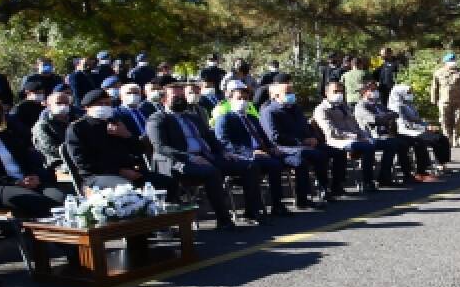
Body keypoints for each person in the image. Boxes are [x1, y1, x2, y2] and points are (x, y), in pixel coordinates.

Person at [146, 88, 266, 228]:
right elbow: (160, 147)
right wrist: (190, 157)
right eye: (175, 96)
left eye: (182, 96)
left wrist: (223, 152)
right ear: (164, 100)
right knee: (212, 172)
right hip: (179, 162)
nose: (180, 99)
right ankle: (224, 220)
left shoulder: (193, 117)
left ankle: (252, 212)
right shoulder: (157, 118)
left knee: (250, 166)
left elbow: (210, 137)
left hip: (206, 156)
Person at [65, 89, 175, 197]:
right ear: (87, 107)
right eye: (100, 104)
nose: (104, 106)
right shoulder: (77, 128)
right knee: (126, 188)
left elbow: (139, 150)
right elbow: (83, 163)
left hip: (129, 170)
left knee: (166, 182)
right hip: (97, 176)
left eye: (107, 103)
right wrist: (119, 171)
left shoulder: (115, 122)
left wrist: (127, 135)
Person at [212, 82, 293, 216]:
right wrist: (251, 153)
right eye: (239, 98)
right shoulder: (225, 118)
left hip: (262, 153)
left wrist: (272, 148)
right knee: (253, 167)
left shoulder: (252, 118)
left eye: (246, 98)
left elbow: (263, 136)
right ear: (230, 100)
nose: (243, 101)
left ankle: (277, 205)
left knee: (277, 164)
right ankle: (252, 210)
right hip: (244, 156)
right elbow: (224, 142)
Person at [261, 82, 341, 204]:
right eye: (287, 93)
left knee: (336, 152)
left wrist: (313, 137)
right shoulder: (269, 112)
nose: (291, 95)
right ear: (275, 96)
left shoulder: (295, 109)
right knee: (312, 156)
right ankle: (304, 197)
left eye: (292, 92)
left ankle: (332, 187)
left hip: (305, 143)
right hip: (285, 147)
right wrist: (301, 141)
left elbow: (307, 127)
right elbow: (275, 137)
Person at [356, 80, 428, 181]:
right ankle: (385, 177)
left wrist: (384, 116)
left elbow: (395, 114)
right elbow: (375, 120)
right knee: (395, 144)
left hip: (386, 134)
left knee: (415, 141)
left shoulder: (378, 105)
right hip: (372, 136)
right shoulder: (361, 106)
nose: (375, 92)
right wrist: (386, 117)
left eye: (376, 89)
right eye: (372, 90)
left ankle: (415, 173)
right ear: (364, 92)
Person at [314, 81, 380, 190]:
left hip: (353, 139)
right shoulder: (321, 109)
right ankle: (367, 181)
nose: (339, 94)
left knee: (372, 143)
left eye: (341, 91)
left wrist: (363, 135)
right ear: (326, 93)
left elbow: (355, 125)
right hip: (337, 141)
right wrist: (355, 136)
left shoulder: (344, 107)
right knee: (367, 147)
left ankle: (370, 179)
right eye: (335, 91)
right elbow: (331, 131)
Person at [389, 84, 451, 172]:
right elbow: (404, 124)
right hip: (406, 131)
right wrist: (425, 128)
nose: (410, 94)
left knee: (442, 138)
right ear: (400, 93)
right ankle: (425, 168)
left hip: (417, 129)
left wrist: (427, 125)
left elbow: (418, 119)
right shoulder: (396, 106)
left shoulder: (409, 104)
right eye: (408, 92)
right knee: (434, 139)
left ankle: (442, 164)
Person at [430, 53, 460, 148]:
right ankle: (447, 139)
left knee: (458, 120)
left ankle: (455, 139)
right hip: (444, 101)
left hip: (458, 101)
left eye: (453, 61)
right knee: (444, 121)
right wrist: (433, 99)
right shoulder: (438, 73)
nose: (452, 63)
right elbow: (434, 87)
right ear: (445, 62)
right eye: (450, 61)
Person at [32, 90, 75, 174]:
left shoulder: (74, 121)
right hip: (57, 163)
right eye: (58, 103)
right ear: (48, 105)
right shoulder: (42, 125)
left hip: (76, 157)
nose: (63, 106)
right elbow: (50, 149)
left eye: (66, 103)